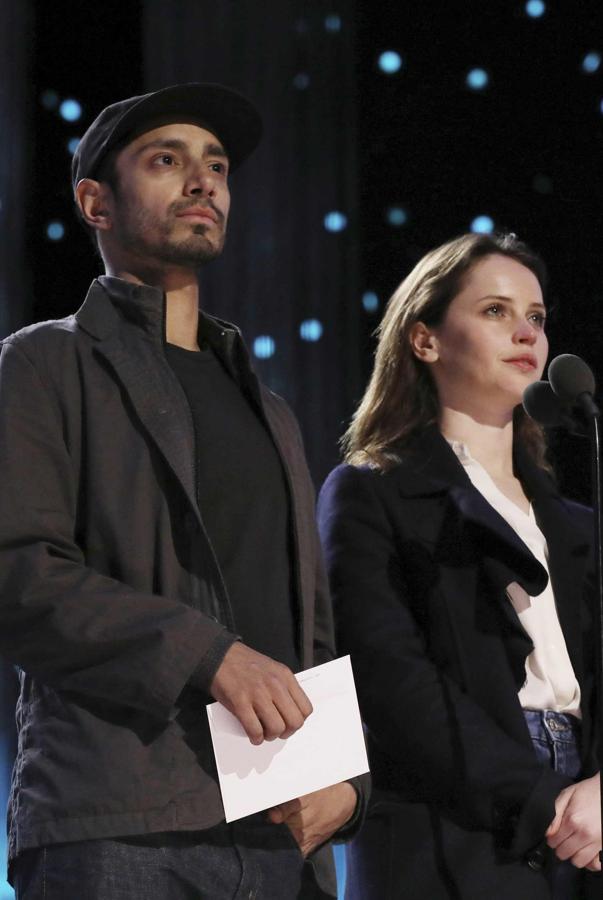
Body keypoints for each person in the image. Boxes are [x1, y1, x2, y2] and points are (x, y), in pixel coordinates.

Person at [0, 83, 364, 900]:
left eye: (217, 166)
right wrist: (209, 654)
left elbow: (308, 624)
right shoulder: (41, 365)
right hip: (121, 823)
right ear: (95, 201)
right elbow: (16, 572)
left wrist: (348, 783)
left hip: (281, 835)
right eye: (167, 161)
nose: (203, 182)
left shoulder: (267, 407)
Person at [317, 232, 601, 899]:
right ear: (424, 340)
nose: (526, 332)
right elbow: (389, 681)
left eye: (534, 316)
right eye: (495, 311)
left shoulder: (576, 523)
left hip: (586, 823)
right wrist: (542, 801)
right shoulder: (371, 492)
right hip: (453, 823)